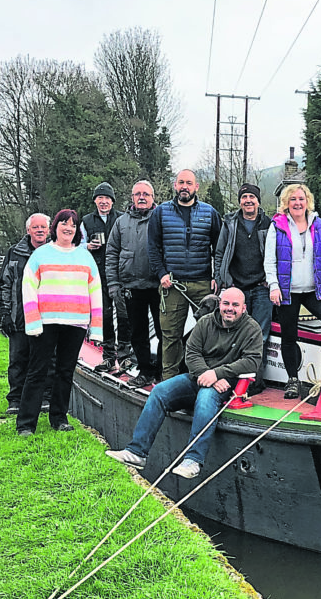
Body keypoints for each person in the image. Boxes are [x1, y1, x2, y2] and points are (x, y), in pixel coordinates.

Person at [106, 288, 262, 479]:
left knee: (205, 400)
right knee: (160, 392)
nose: (230, 309)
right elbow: (191, 353)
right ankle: (137, 452)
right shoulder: (205, 323)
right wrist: (206, 374)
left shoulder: (251, 328)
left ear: (244, 308)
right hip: (199, 377)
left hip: (226, 383)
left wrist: (216, 373)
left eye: (235, 305)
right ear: (220, 304)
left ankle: (193, 460)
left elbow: (252, 361)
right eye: (226, 304)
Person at [17, 209, 102, 436]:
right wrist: (33, 322)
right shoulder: (40, 255)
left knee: (65, 372)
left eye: (73, 225)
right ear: (55, 227)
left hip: (76, 324)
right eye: (64, 223)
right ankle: (26, 423)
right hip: (46, 322)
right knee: (37, 371)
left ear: (76, 231)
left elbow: (96, 292)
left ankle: (59, 418)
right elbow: (28, 287)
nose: (68, 228)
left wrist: (96, 329)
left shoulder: (85, 257)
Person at [264, 183, 321, 397]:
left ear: (307, 201)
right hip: (287, 290)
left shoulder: (319, 224)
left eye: (301, 198)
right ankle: (292, 380)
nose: (298, 203)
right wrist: (274, 286)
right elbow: (269, 260)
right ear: (286, 204)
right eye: (293, 199)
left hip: (313, 289)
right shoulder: (277, 226)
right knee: (289, 335)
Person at [147, 169, 222, 381]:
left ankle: (205, 377)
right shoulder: (160, 213)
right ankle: (168, 381)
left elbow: (219, 247)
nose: (185, 187)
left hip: (203, 284)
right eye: (181, 182)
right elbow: (153, 248)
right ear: (175, 185)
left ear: (196, 187)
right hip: (172, 284)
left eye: (189, 183)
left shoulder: (210, 213)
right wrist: (161, 273)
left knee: (210, 332)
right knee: (170, 335)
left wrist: (217, 275)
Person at [214, 183, 272, 394]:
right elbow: (219, 253)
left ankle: (256, 381)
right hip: (236, 287)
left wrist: (271, 279)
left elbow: (275, 253)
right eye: (244, 197)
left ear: (258, 200)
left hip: (261, 288)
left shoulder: (268, 223)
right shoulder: (229, 224)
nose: (248, 200)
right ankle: (235, 377)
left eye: (252, 197)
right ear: (240, 201)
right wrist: (220, 278)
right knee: (235, 335)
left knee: (260, 335)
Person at [105, 180, 162, 388]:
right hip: (131, 286)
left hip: (158, 286)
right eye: (137, 194)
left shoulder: (161, 218)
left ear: (152, 197)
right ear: (132, 197)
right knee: (137, 333)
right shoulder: (121, 222)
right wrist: (113, 283)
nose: (141, 197)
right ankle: (145, 371)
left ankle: (162, 371)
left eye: (146, 194)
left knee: (164, 330)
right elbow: (111, 253)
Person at [0, 213, 52, 414]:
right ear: (28, 230)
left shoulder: (55, 252)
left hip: (47, 316)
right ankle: (16, 399)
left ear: (49, 230)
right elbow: (4, 283)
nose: (39, 230)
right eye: (35, 227)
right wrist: (4, 311)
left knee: (47, 358)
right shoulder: (14, 252)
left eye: (43, 227)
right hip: (19, 315)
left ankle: (46, 397)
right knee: (18, 358)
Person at [81, 182, 127, 374]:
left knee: (124, 315)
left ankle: (125, 357)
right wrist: (87, 248)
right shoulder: (86, 221)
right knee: (105, 317)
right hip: (98, 275)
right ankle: (109, 357)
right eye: (100, 198)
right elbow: (78, 244)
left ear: (112, 201)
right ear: (95, 201)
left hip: (120, 274)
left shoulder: (122, 219)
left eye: (107, 198)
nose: (104, 202)